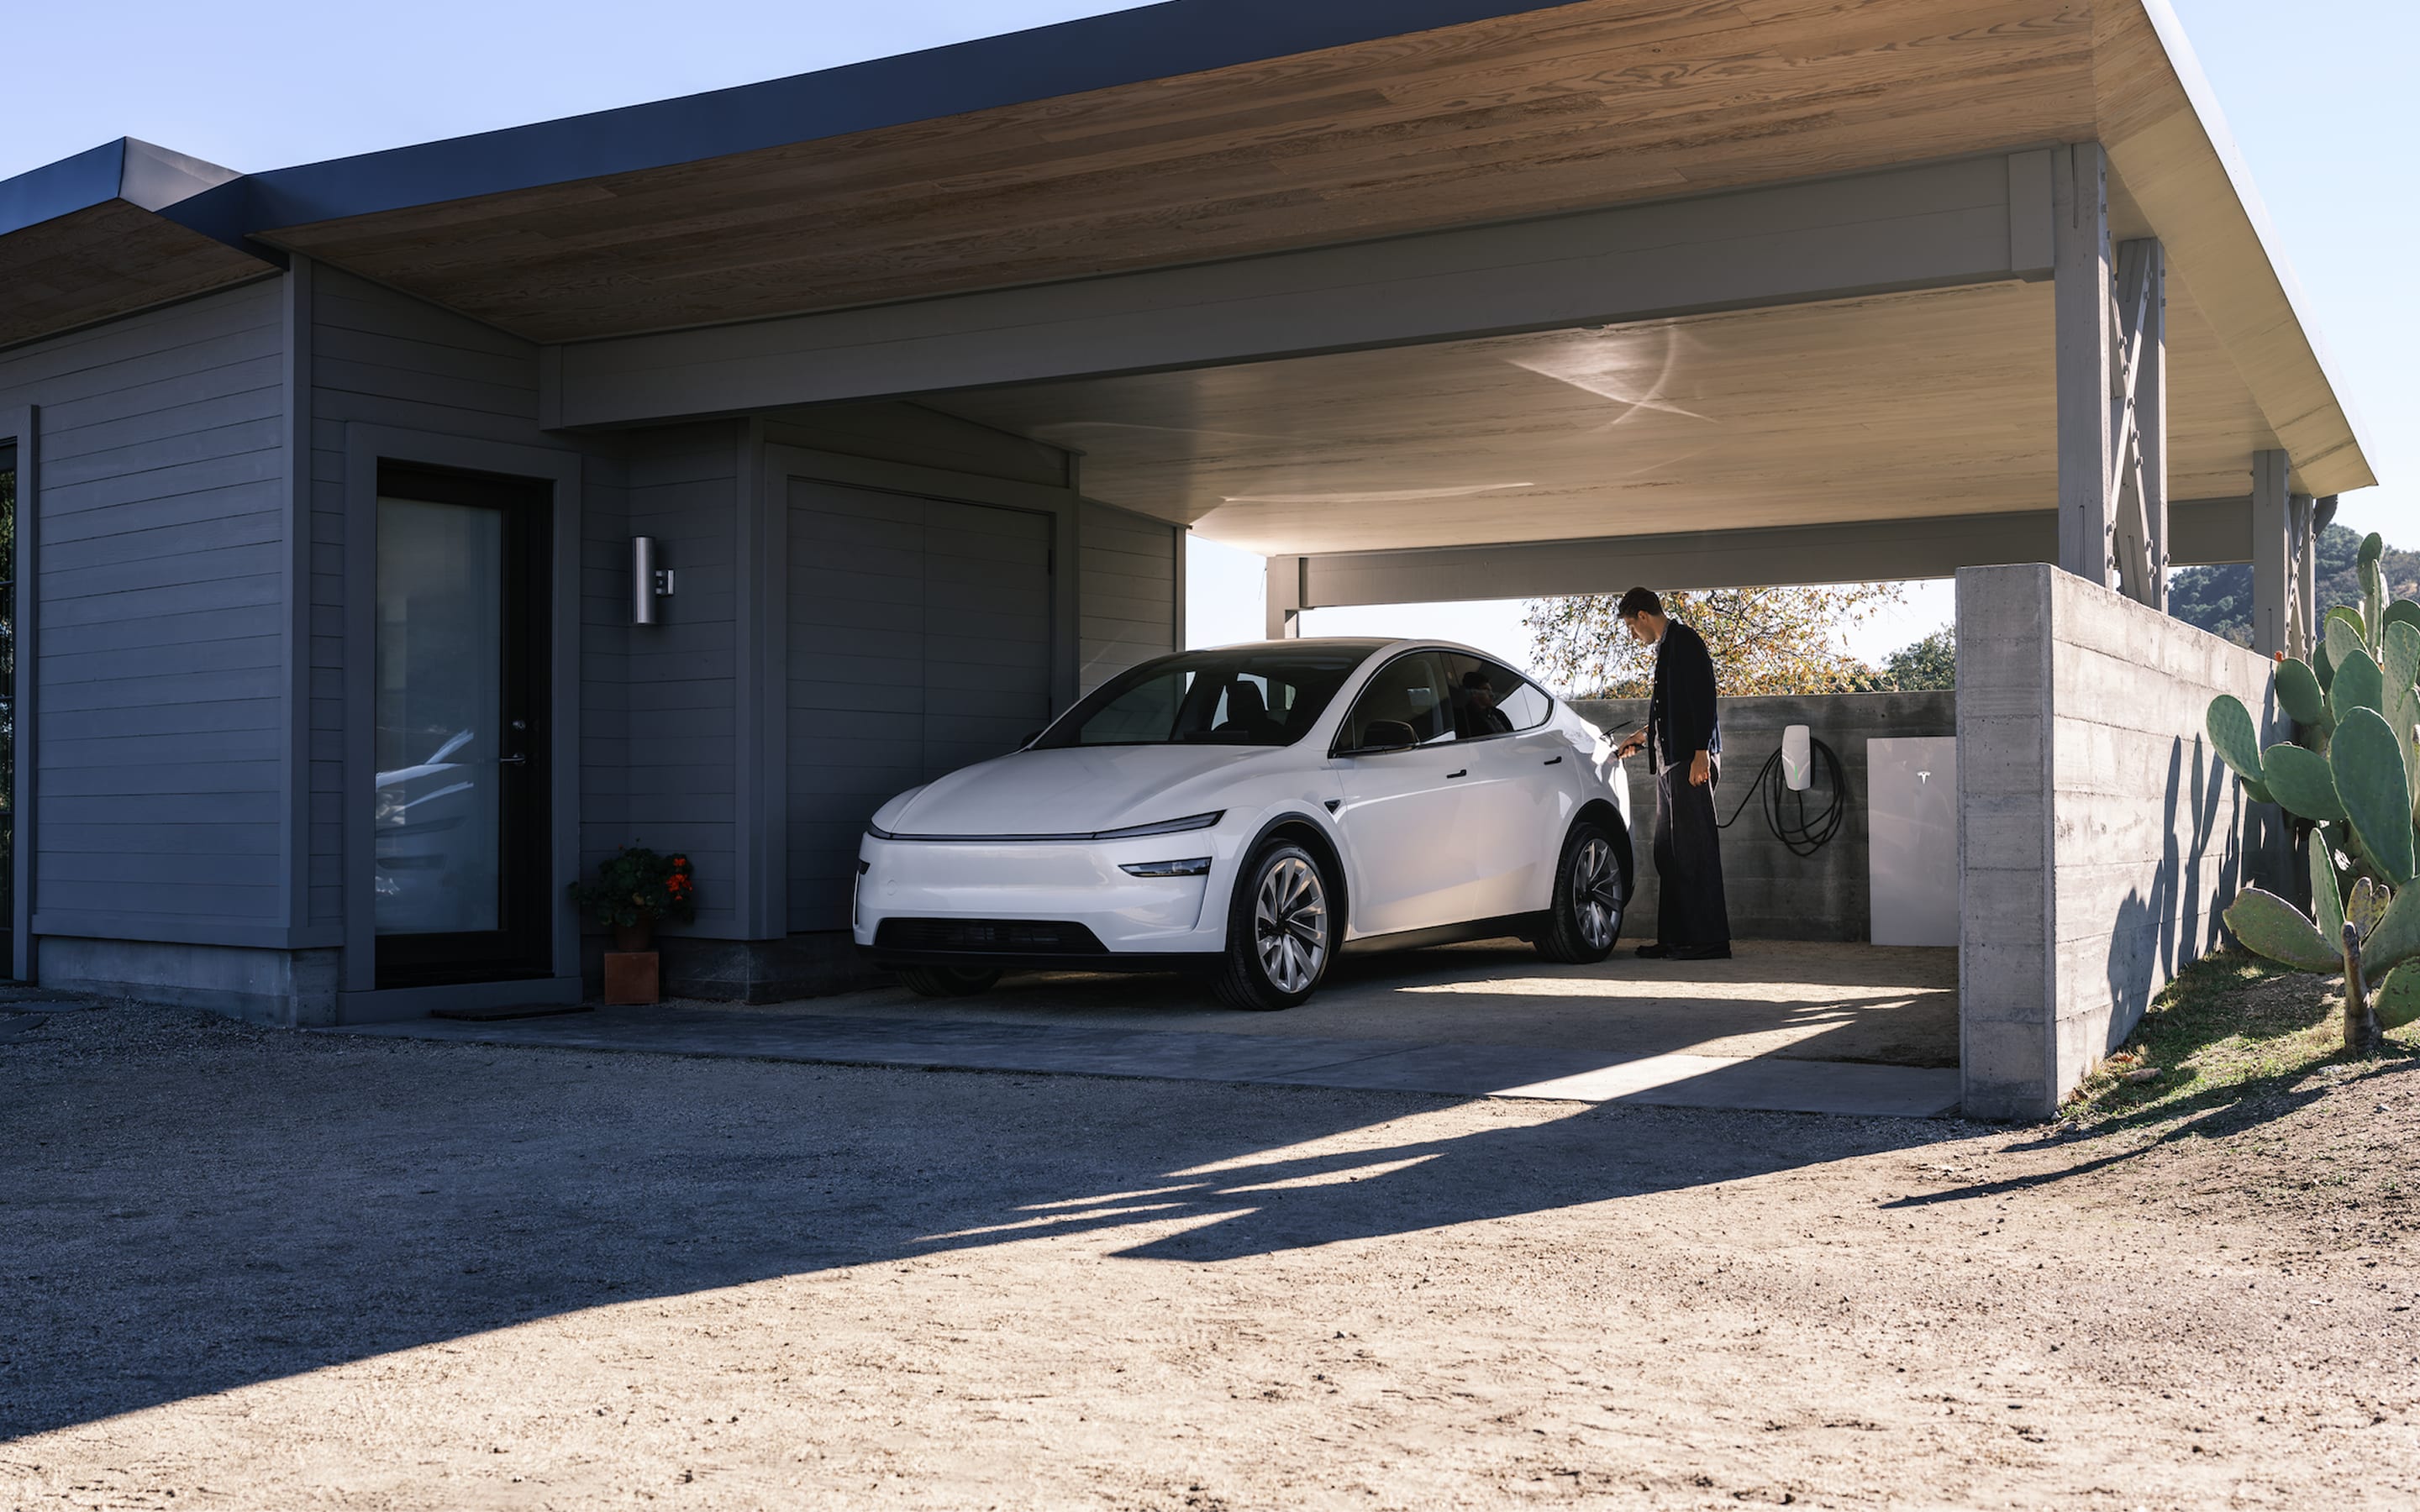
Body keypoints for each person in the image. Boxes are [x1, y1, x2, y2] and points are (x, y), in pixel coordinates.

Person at [1610, 588, 1731, 960]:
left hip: (1689, 762)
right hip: (1670, 765)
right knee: (1669, 853)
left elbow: (1704, 697)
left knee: (1695, 851)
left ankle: (1709, 941)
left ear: (1643, 616)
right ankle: (1676, 939)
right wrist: (1643, 737)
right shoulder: (1667, 648)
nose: (1633, 634)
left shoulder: (1685, 641)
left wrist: (1701, 753)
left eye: (1632, 626)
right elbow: (1673, 710)